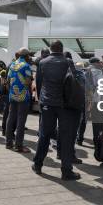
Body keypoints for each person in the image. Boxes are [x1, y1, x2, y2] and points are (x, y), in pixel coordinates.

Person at [33, 40, 81, 180]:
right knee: (65, 137)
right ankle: (66, 171)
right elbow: (73, 82)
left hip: (47, 103)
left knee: (44, 135)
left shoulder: (42, 62)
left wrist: (42, 101)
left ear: (50, 49)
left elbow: (40, 83)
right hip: (65, 105)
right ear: (62, 49)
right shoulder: (67, 62)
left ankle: (38, 164)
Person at [6, 48, 34, 152]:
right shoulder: (26, 66)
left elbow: (8, 81)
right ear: (26, 56)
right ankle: (18, 145)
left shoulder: (12, 64)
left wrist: (11, 92)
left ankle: (8, 143)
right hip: (23, 97)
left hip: (12, 95)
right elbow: (28, 82)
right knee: (21, 121)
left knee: (11, 118)